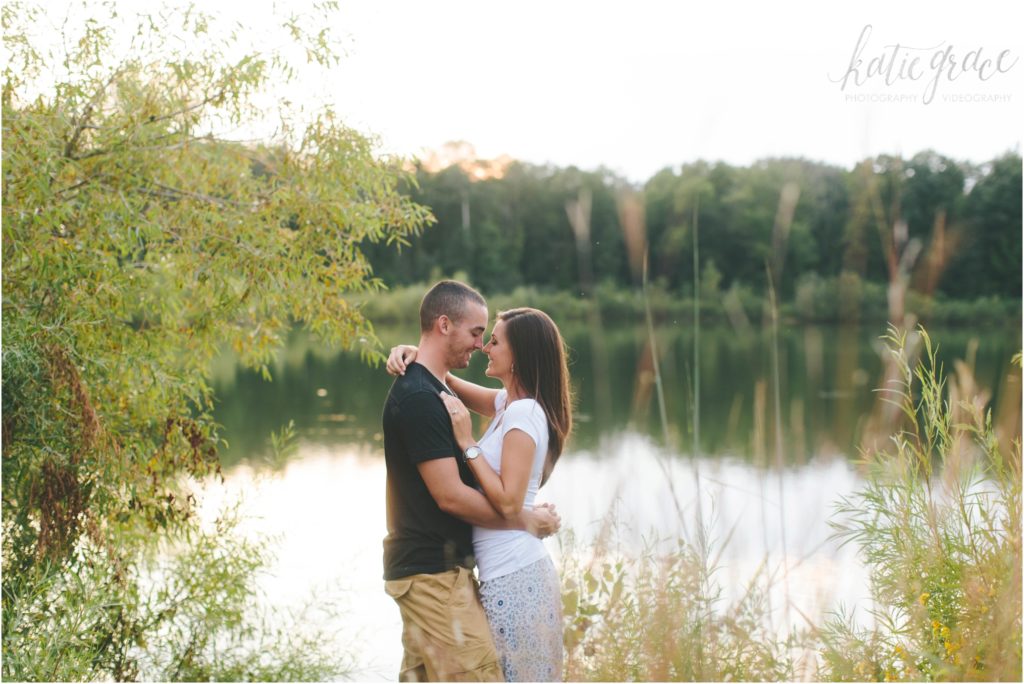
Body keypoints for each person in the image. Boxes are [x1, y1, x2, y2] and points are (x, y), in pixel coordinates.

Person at [382, 280, 562, 682]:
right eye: (478, 334)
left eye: (491, 339)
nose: (482, 345)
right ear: (444, 325)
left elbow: (444, 382)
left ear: (520, 355)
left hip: (466, 572)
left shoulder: (515, 409)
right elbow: (451, 496)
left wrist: (466, 441)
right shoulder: (424, 397)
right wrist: (525, 519)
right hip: (434, 574)